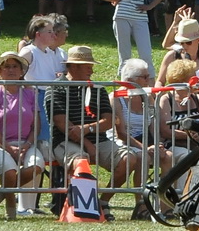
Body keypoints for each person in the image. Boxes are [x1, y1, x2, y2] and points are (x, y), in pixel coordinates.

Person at [48, 45, 134, 209]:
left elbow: (109, 120)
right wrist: (88, 144)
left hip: (99, 140)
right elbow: (63, 125)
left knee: (129, 159)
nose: (92, 71)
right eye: (88, 67)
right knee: (81, 159)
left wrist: (88, 129)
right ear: (73, 66)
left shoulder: (98, 89)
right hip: (64, 141)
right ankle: (82, 208)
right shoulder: (56, 87)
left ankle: (103, 202)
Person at [0, 49, 47, 217]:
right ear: (0, 71)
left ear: (21, 71)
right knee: (9, 171)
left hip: (25, 143)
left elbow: (36, 126)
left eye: (15, 66)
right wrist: (10, 150)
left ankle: (4, 191)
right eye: (7, 67)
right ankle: (11, 210)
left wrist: (26, 145)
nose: (11, 70)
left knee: (36, 166)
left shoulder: (30, 93)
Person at [112, 58, 170, 218]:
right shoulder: (116, 98)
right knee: (142, 157)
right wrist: (145, 147)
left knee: (167, 157)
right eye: (145, 77)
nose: (149, 80)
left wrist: (158, 144)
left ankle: (164, 207)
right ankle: (141, 205)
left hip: (143, 141)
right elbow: (121, 133)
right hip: (121, 143)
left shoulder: (148, 98)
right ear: (131, 81)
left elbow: (153, 126)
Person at [158, 12, 199, 86]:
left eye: (188, 42)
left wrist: (190, 89)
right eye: (182, 42)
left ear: (198, 40)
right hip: (176, 96)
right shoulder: (172, 55)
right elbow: (160, 81)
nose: (184, 46)